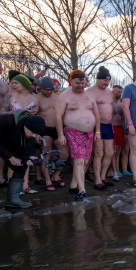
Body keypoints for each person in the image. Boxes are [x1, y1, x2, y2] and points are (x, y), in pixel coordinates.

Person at [55, 69, 100, 201]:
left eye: (82, 83)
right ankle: (82, 190)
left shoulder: (90, 96)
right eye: (77, 83)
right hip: (72, 130)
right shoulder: (64, 96)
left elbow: (96, 115)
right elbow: (58, 116)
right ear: (70, 82)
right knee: (79, 161)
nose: (80, 86)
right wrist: (60, 135)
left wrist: (97, 131)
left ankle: (74, 185)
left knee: (85, 161)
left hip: (90, 132)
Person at [35, 76, 68, 189]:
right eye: (46, 89)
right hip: (44, 129)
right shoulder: (36, 99)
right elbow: (33, 116)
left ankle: (56, 175)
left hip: (57, 129)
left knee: (64, 154)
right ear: (40, 88)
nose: (49, 92)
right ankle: (48, 180)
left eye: (51, 89)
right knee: (46, 155)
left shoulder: (57, 97)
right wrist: (36, 133)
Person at [87, 66, 115, 191]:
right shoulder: (90, 92)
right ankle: (97, 180)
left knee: (110, 152)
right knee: (99, 153)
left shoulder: (109, 92)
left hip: (108, 125)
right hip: (96, 125)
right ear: (98, 79)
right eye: (104, 80)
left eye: (108, 81)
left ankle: (103, 177)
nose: (106, 83)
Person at [111, 85, 125, 181]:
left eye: (121, 92)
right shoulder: (109, 103)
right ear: (112, 92)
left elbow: (123, 119)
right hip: (112, 128)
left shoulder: (121, 105)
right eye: (118, 92)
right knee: (113, 151)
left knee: (118, 151)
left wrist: (125, 131)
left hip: (120, 128)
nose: (119, 94)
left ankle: (117, 169)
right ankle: (114, 171)